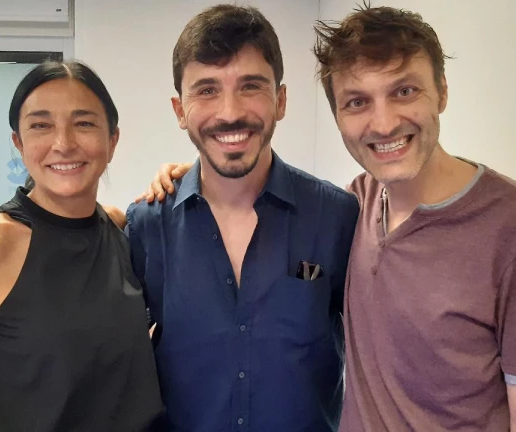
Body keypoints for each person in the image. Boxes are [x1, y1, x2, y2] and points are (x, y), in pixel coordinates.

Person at [147, 4, 516, 431]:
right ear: (338, 115)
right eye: (357, 102)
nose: (384, 124)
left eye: (404, 91)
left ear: (442, 92)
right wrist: (194, 179)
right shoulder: (357, 206)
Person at [125, 4, 359, 431]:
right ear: (179, 110)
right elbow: (105, 350)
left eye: (250, 86)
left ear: (281, 100)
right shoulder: (146, 226)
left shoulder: (338, 217)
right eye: (207, 90)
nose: (229, 112)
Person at [0, 60, 163, 432]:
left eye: (84, 123)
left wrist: (187, 175)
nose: (63, 144)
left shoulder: (117, 227)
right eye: (41, 125)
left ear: (112, 141)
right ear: (19, 143)